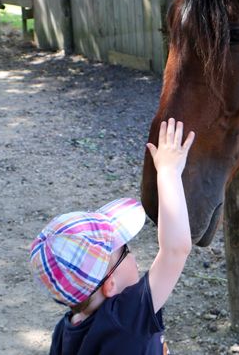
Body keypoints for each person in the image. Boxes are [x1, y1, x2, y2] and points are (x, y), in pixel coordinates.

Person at [30, 119, 195, 355]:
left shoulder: (64, 332)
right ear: (110, 285)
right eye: (125, 250)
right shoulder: (126, 317)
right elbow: (175, 249)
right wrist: (169, 171)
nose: (134, 254)